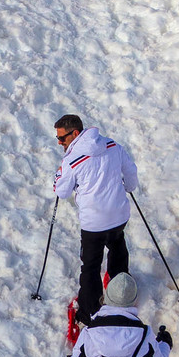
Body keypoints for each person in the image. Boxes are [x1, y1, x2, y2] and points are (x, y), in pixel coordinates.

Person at [53, 113, 139, 322]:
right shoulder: (113, 146)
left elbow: (61, 192)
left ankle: (89, 313)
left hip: (94, 224)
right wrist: (128, 187)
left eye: (62, 138)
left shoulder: (72, 161)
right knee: (118, 249)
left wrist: (58, 177)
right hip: (119, 215)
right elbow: (131, 173)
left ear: (75, 133)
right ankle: (121, 294)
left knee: (90, 266)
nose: (59, 142)